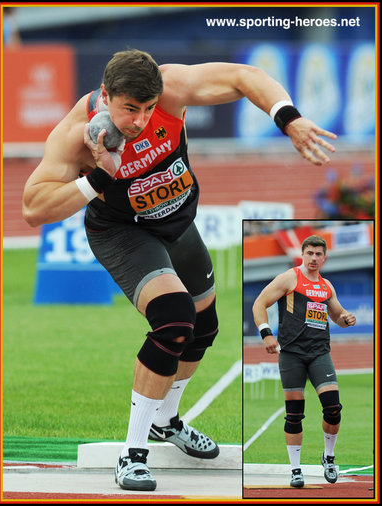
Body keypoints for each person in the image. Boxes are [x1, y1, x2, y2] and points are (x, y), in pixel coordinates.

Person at [23, 49, 337, 491]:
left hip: (177, 224)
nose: (139, 120)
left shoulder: (171, 89)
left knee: (204, 328)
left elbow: (245, 76)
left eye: (148, 108)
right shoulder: (78, 133)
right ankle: (132, 456)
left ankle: (165, 421)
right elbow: (33, 208)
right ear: (107, 95)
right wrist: (97, 178)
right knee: (173, 320)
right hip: (123, 232)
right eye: (130, 109)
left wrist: (289, 118)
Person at [252, 234, 356, 488]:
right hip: (292, 354)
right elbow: (259, 303)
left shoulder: (326, 285)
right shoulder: (290, 278)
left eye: (318, 254)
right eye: (309, 253)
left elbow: (337, 315)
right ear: (302, 254)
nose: (313, 258)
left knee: (333, 409)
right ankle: (295, 470)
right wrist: (266, 333)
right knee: (294, 415)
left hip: (319, 352)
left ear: (324, 257)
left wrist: (346, 319)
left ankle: (328, 458)